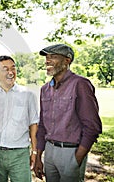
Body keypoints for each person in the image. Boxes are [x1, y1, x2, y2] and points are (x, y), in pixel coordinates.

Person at [34, 44, 103, 182]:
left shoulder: (80, 84)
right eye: (47, 57)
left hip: (71, 152)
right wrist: (38, 157)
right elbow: (42, 125)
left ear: (67, 60)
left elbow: (92, 126)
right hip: (49, 153)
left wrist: (76, 159)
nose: (48, 60)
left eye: (53, 57)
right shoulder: (45, 89)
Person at [0, 55, 39, 182]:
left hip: (20, 153)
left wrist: (34, 151)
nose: (10, 72)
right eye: (5, 69)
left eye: (13, 68)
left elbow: (33, 125)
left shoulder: (28, 95)